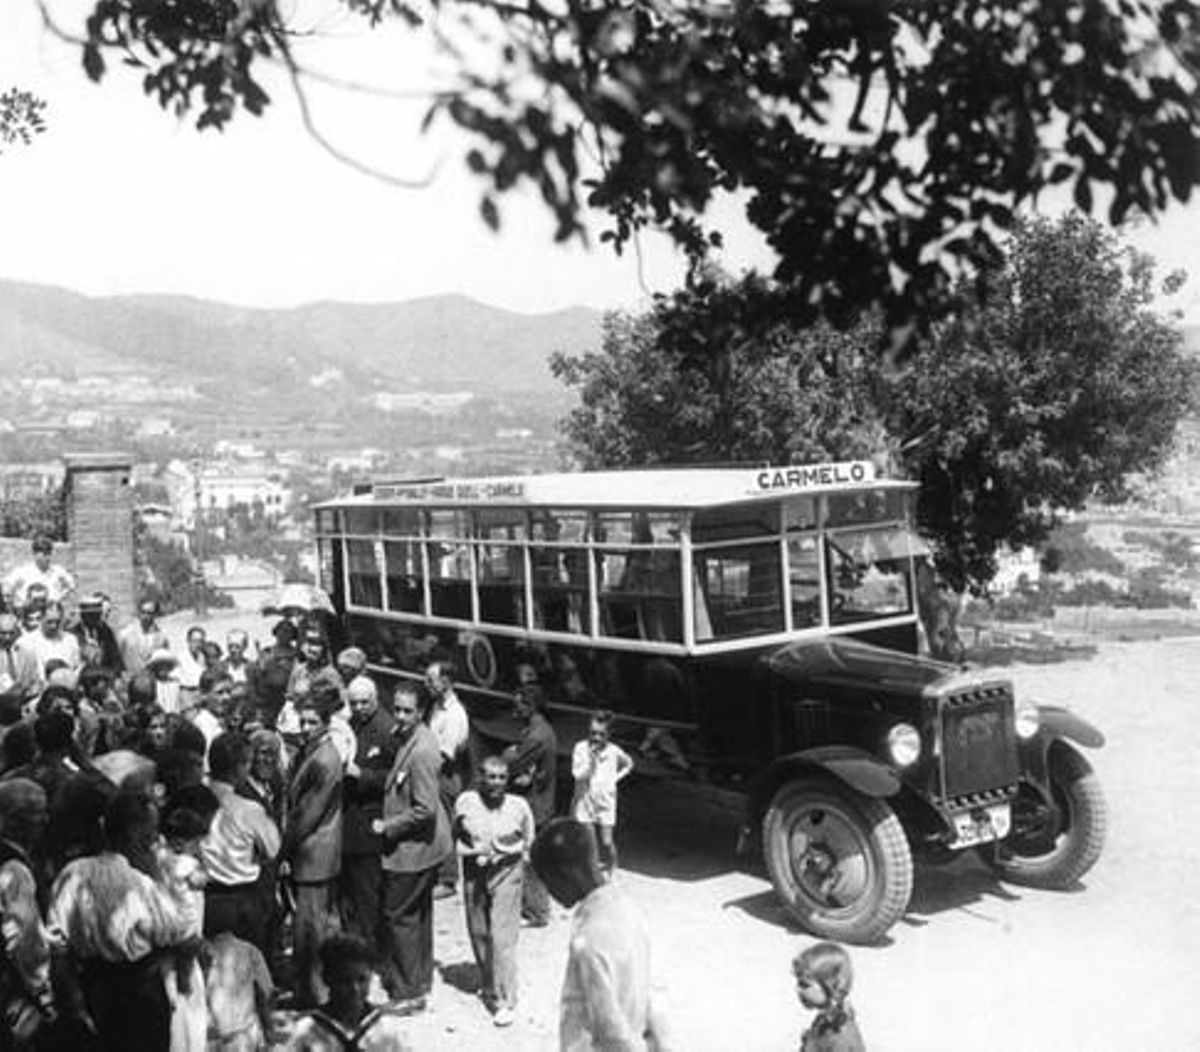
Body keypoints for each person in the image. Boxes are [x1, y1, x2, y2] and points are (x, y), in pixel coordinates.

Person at [47, 791, 193, 1051]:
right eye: (151, 834)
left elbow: (58, 946)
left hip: (90, 988)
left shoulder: (71, 874)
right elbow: (179, 932)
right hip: (138, 994)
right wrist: (159, 876)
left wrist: (74, 1001)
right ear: (135, 836)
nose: (155, 840)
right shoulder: (139, 885)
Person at [530, 818, 673, 1052]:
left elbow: (609, 1027)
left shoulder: (588, 940)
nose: (549, 891)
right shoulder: (629, 909)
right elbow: (655, 993)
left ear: (567, 873)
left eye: (547, 880)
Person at [375, 682, 452, 1012]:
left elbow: (425, 809)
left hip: (413, 849)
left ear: (421, 712)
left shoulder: (422, 750)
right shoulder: (414, 737)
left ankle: (408, 994)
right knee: (419, 912)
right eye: (398, 708)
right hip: (426, 847)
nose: (401, 716)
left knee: (399, 916)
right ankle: (420, 979)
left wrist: (388, 826)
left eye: (408, 711)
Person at [453, 755, 535, 1027]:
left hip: (507, 871)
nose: (496, 783)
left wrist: (515, 859)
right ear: (480, 777)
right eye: (491, 776)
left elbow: (528, 839)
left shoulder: (518, 806)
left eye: (501, 777)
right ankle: (488, 981)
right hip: (474, 870)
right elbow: (456, 831)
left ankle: (504, 999)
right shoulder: (465, 802)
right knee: (478, 930)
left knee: (502, 936)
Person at [281, 694, 345, 1008]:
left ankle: (314, 994)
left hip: (314, 852)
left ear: (326, 723)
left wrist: (283, 849)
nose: (306, 728)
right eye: (302, 721)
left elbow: (307, 813)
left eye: (312, 722)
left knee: (310, 929)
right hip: (317, 850)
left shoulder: (325, 759)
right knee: (314, 925)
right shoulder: (315, 752)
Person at [201, 732, 281, 958]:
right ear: (239, 767)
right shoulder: (248, 809)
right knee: (247, 967)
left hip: (205, 899)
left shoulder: (194, 799)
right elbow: (273, 849)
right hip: (242, 902)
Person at [278, 934, 413, 1050]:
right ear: (327, 979)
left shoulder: (385, 1029)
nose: (355, 989)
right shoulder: (307, 1031)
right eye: (344, 981)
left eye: (362, 980)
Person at [340, 676, 397, 952]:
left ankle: (374, 951)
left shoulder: (387, 730)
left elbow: (396, 778)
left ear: (375, 698)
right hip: (350, 822)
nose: (359, 707)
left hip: (371, 823)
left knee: (369, 894)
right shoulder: (350, 725)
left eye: (365, 702)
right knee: (352, 892)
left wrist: (363, 775)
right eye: (354, 703)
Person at [0, 779, 55, 1046]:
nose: (44, 820)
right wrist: (42, 994)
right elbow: (24, 940)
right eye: (36, 813)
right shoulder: (15, 869)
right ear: (12, 820)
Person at [503, 682, 558, 926]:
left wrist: (509, 754)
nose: (515, 710)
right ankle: (533, 907)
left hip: (536, 805)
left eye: (519, 706)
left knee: (531, 860)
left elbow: (512, 765)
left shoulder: (536, 735)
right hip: (539, 801)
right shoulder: (538, 730)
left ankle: (537, 912)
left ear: (530, 706)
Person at [424, 659, 470, 899]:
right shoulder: (435, 707)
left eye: (430, 680)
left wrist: (423, 774)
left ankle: (449, 879)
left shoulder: (454, 714)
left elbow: (445, 754)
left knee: (444, 827)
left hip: (444, 776)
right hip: (434, 772)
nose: (426, 684)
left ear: (446, 682)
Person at [570, 710, 633, 877]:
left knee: (606, 841)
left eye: (601, 734)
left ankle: (613, 864)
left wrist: (615, 779)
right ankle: (593, 871)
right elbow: (577, 775)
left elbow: (629, 764)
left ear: (609, 735)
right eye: (593, 733)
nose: (596, 738)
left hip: (606, 801)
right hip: (585, 800)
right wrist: (591, 762)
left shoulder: (614, 751)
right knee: (590, 842)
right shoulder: (580, 748)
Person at [202, 931, 275, 1051]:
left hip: (210, 1040)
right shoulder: (250, 951)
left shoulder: (201, 955)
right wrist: (268, 1032)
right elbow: (266, 994)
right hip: (243, 1038)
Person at [793, 942, 865, 1052]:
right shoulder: (828, 1017)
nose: (798, 990)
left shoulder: (840, 1036)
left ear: (832, 986)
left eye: (805, 985)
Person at [2, 537, 74, 612]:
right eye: (44, 554)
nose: (48, 557)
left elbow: (71, 586)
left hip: (51, 614)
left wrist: (58, 598)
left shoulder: (58, 571)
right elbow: (7, 587)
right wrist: (15, 604)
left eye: (49, 553)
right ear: (34, 554)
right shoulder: (22, 572)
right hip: (27, 614)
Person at [18, 602, 81, 681]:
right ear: (41, 619)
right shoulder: (26, 642)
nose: (53, 626)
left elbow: (76, 667)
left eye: (57, 622)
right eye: (49, 622)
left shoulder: (70, 640)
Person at [70, 593, 122, 676]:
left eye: (97, 614)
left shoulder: (106, 632)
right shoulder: (73, 635)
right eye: (91, 615)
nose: (96, 618)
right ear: (83, 615)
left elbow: (115, 659)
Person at [116, 599, 169, 679]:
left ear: (155, 614)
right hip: (130, 682)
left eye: (149, 613)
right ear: (139, 612)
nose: (145, 616)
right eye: (143, 612)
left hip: (152, 683)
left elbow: (164, 662)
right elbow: (117, 659)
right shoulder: (125, 634)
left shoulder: (162, 637)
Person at [0, 614, 42, 712]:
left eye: (11, 633)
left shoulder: (28, 655)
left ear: (17, 632)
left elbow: (35, 681)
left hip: (23, 708)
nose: (7, 637)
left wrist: (31, 692)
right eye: (3, 633)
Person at [146, 648, 183, 716]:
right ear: (155, 667)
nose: (162, 668)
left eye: (165, 665)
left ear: (169, 667)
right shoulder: (152, 684)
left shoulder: (175, 683)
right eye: (159, 665)